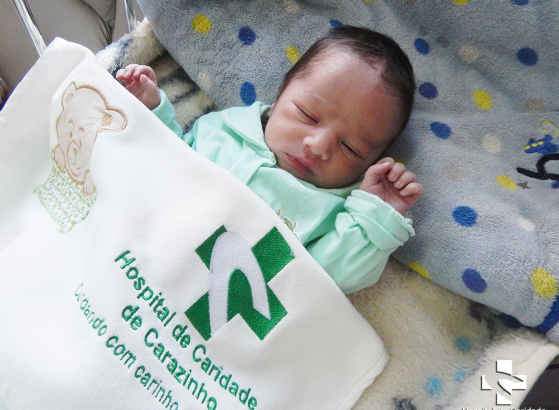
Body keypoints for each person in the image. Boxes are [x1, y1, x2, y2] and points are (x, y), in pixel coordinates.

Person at [116, 25, 423, 295]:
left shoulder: (334, 214)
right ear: (277, 99)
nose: (318, 146)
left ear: (369, 164)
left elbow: (326, 283)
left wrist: (374, 218)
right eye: (308, 115)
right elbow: (166, 167)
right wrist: (151, 113)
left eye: (351, 148)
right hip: (137, 259)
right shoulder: (224, 134)